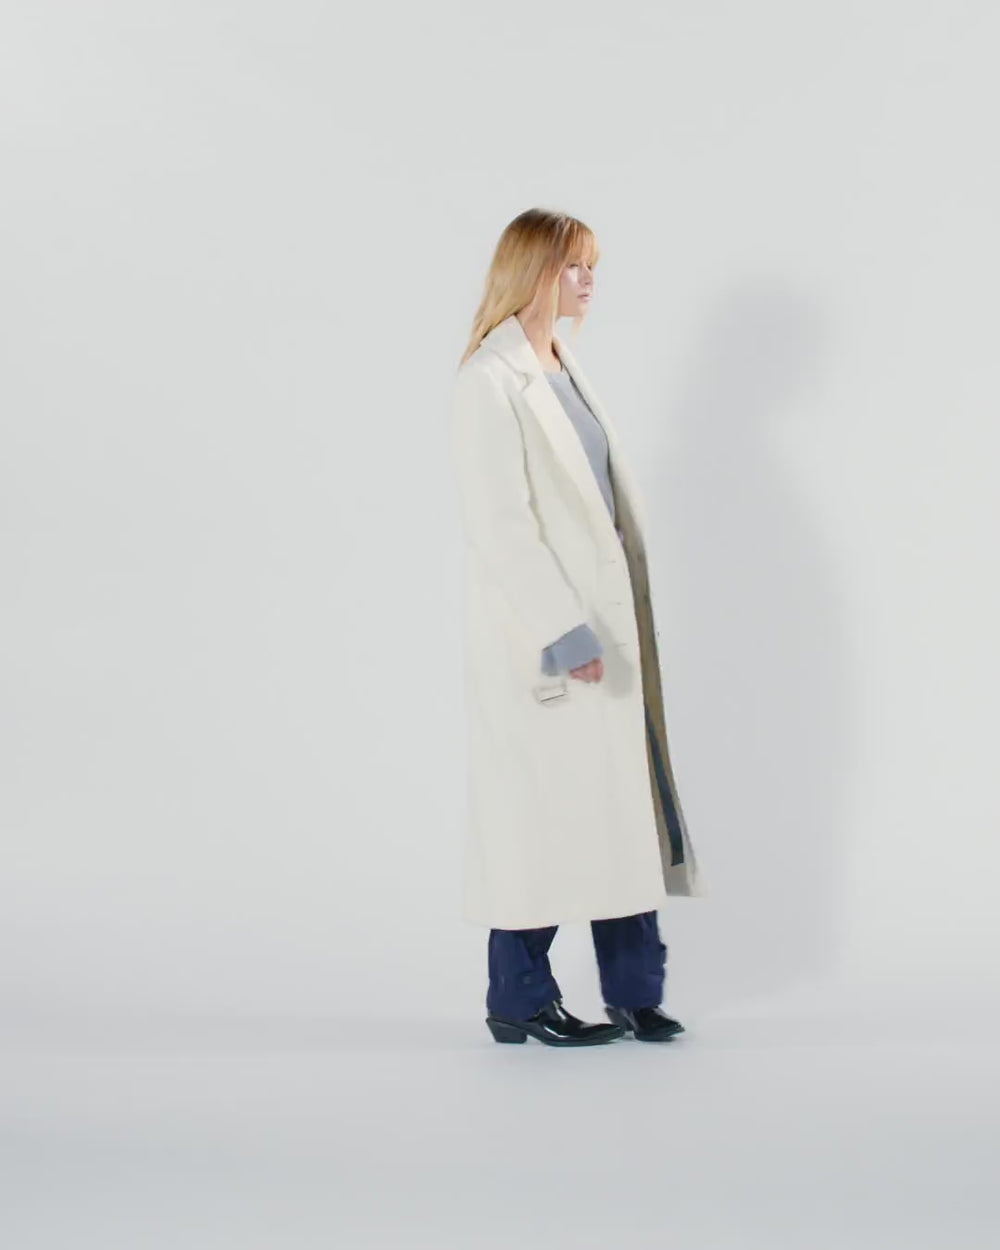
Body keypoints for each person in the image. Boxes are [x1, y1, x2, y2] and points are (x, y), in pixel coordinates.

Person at [450, 208, 706, 1048]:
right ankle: (518, 1000)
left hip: (608, 630)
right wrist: (563, 629)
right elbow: (501, 524)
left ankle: (635, 994)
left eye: (592, 265)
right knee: (544, 820)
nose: (589, 280)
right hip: (552, 645)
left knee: (619, 815)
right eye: (573, 265)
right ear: (532, 271)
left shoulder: (563, 366)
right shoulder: (489, 380)